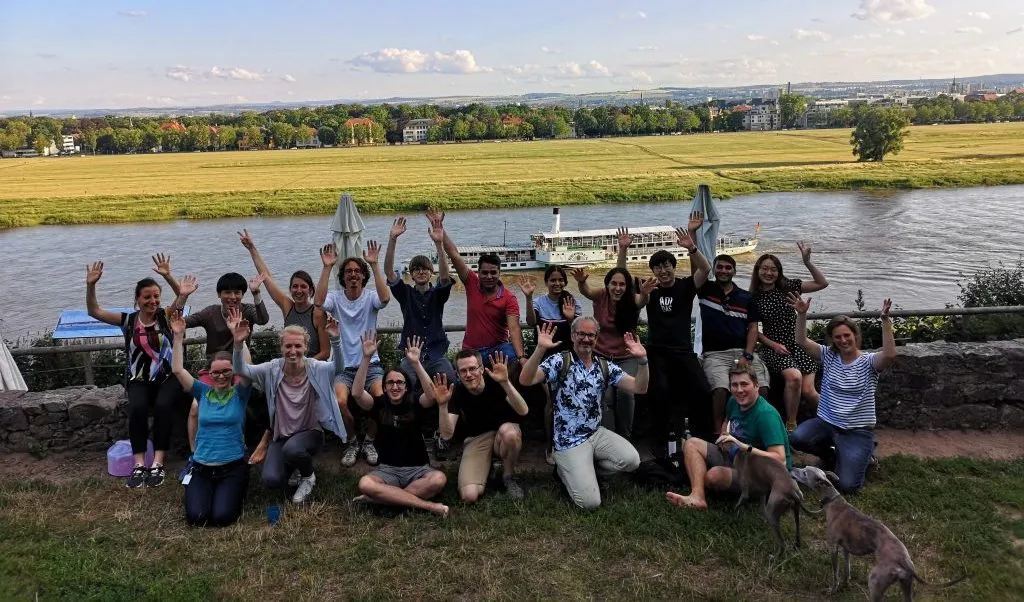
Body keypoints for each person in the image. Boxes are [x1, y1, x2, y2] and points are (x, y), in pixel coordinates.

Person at [86, 259, 196, 488]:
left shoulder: (166, 316)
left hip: (168, 377)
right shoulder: (128, 320)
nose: (152, 301)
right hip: (138, 379)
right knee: (137, 408)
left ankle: (157, 462)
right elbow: (94, 311)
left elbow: (182, 297)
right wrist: (91, 285)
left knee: (164, 406)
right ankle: (138, 464)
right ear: (137, 299)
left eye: (156, 296)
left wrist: (168, 275)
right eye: (147, 297)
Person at [520, 319, 648, 510]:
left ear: (597, 339)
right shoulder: (560, 361)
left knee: (632, 461)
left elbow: (639, 387)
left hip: (595, 433)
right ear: (573, 336)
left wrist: (643, 361)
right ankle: (565, 472)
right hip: (568, 441)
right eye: (581, 334)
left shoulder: (603, 366)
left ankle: (587, 469)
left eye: (591, 335)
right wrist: (539, 349)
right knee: (590, 503)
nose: (586, 339)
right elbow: (526, 379)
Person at [231, 308, 348, 504]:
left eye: (297, 346)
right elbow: (240, 369)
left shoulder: (314, 368)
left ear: (306, 347)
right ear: (281, 347)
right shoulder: (271, 369)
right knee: (271, 479)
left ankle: (309, 476)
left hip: (310, 433)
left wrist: (335, 340)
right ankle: (295, 466)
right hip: (281, 436)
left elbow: (338, 368)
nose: (292, 351)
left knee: (293, 450)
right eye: (288, 346)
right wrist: (237, 344)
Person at [788, 294, 897, 493]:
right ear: (833, 339)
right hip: (826, 423)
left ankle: (867, 452)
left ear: (855, 335)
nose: (843, 340)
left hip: (856, 431)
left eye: (847, 335)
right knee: (796, 438)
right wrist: (801, 314)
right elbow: (801, 341)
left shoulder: (869, 362)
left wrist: (885, 321)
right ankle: (832, 455)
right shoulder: (829, 356)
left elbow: (889, 355)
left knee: (848, 486)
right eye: (838, 337)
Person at [350, 332, 449, 516]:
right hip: (387, 471)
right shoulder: (378, 404)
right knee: (365, 483)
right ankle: (429, 507)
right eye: (390, 383)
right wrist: (366, 358)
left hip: (418, 470)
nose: (395, 387)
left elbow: (432, 395)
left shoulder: (415, 403)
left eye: (399, 383)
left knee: (438, 479)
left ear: (406, 386)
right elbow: (356, 393)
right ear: (385, 387)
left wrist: (416, 363)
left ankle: (381, 500)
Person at [666, 365, 791, 510]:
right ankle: (697, 497)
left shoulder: (766, 415)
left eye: (744, 384)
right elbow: (727, 420)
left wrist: (743, 446)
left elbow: (780, 459)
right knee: (691, 444)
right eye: (734, 385)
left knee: (713, 476)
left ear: (756, 385)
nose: (739, 390)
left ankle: (756, 492)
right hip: (737, 456)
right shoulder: (734, 401)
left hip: (764, 473)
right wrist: (724, 434)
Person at [169, 309, 250, 527]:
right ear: (209, 374)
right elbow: (178, 370)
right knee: (197, 518)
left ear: (233, 373)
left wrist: (238, 341)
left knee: (222, 517)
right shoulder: (202, 392)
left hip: (232, 467)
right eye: (216, 372)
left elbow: (247, 370)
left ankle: (232, 490)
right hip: (202, 467)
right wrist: (178, 337)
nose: (221, 376)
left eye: (226, 371)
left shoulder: (240, 394)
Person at [314, 241, 391, 468]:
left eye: (357, 271)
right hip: (343, 366)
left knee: (380, 397)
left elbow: (385, 299)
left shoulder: (370, 298)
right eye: (348, 272)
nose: (353, 275)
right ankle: (352, 441)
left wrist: (375, 265)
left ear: (363, 276)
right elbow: (318, 301)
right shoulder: (335, 298)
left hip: (371, 364)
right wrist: (327, 267)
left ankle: (370, 441)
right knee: (339, 400)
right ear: (343, 277)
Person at [644, 212, 713, 451]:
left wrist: (691, 246)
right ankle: (661, 441)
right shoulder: (649, 289)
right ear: (653, 271)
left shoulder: (685, 286)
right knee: (659, 392)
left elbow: (705, 269)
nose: (663, 271)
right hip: (657, 353)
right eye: (658, 267)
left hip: (683, 351)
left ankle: (703, 438)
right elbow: (620, 278)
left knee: (703, 390)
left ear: (673, 267)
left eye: (666, 266)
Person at [748, 244, 830, 430]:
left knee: (810, 391)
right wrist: (772, 344)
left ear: (779, 272)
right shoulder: (752, 297)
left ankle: (835, 424)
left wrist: (807, 262)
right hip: (774, 348)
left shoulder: (788, 287)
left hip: (799, 345)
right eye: (765, 269)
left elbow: (822, 283)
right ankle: (791, 426)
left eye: (773, 269)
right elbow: (752, 329)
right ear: (757, 271)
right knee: (794, 377)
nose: (769, 273)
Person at [434, 349, 529, 502]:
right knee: (469, 496)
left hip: (502, 434)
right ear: (457, 374)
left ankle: (508, 477)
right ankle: (488, 467)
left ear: (481, 368)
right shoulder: (456, 392)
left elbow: (523, 410)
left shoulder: (496, 381)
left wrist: (505, 382)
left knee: (510, 434)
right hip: (477, 439)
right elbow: (446, 434)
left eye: (472, 369)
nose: (468, 374)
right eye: (463, 371)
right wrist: (442, 406)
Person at [382, 211, 457, 392]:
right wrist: (392, 239)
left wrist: (439, 244)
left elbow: (445, 278)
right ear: (412, 275)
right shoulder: (405, 294)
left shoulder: (438, 294)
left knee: (452, 382)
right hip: (410, 355)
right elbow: (389, 272)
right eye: (416, 269)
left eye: (424, 269)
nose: (420, 272)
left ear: (431, 272)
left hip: (436, 354)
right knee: (404, 386)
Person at [696, 253, 771, 433]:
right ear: (713, 270)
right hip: (715, 354)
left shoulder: (746, 297)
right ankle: (718, 432)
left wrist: (747, 354)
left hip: (743, 351)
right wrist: (692, 241)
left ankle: (758, 428)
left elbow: (753, 328)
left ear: (734, 271)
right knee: (720, 389)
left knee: (761, 386)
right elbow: (697, 268)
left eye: (728, 267)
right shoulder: (705, 290)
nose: (723, 271)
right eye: (719, 267)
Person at [520, 266, 584, 463]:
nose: (557, 284)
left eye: (560, 280)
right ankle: (551, 445)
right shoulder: (539, 302)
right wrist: (529, 298)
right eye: (552, 280)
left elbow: (581, 336)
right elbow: (531, 322)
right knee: (552, 400)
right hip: (544, 359)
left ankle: (575, 440)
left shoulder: (572, 302)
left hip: (569, 358)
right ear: (546, 282)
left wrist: (571, 318)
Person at [238, 229, 330, 360]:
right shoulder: (287, 306)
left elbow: (326, 352)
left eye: (303, 287)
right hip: (291, 366)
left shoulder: (318, 314)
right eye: (295, 287)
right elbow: (266, 278)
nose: (299, 291)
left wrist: (303, 366)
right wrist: (252, 248)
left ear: (311, 290)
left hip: (314, 368)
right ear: (290, 289)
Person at [441, 228, 526, 368]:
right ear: (478, 273)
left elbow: (514, 328)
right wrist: (440, 230)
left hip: (497, 348)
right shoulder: (471, 282)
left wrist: (521, 357)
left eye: (493, 272)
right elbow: (454, 254)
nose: (489, 276)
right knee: (459, 381)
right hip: (471, 350)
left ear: (500, 273)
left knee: (512, 355)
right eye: (485, 272)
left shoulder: (509, 298)